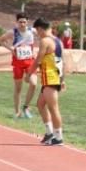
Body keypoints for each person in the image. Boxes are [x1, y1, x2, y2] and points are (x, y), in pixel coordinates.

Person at [27, 18, 66, 146]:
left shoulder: (45, 41)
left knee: (53, 108)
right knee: (40, 104)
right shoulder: (58, 41)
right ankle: (50, 132)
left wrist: (29, 74)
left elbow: (38, 60)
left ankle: (58, 137)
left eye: (37, 31)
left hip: (50, 78)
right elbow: (62, 61)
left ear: (40, 29)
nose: (37, 34)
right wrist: (62, 79)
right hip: (51, 78)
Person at [0, 13, 38, 118]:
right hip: (18, 64)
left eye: (24, 21)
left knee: (34, 84)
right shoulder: (13, 32)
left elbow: (44, 35)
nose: (22, 24)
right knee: (18, 89)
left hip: (30, 62)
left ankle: (26, 107)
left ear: (27, 22)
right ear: (17, 22)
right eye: (20, 22)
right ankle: (17, 112)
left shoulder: (32, 31)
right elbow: (0, 40)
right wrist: (11, 49)